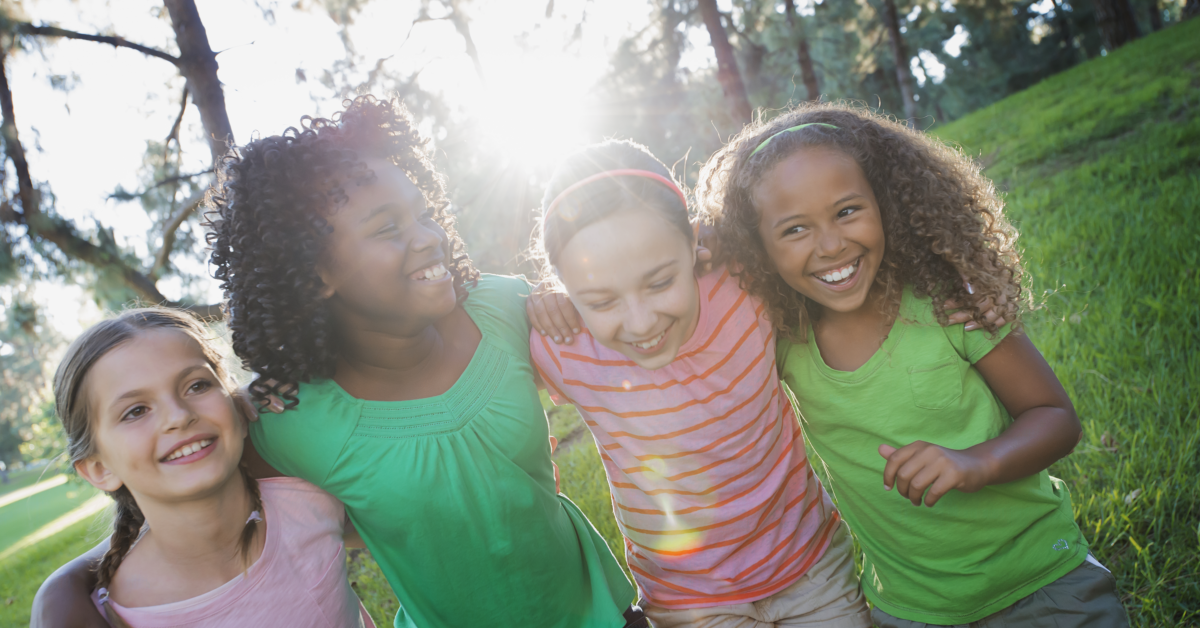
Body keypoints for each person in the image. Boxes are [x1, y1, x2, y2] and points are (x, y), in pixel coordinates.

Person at [700, 102, 1129, 627]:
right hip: (913, 610)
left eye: (847, 211)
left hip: (1042, 581)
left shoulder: (948, 304)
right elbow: (675, 304)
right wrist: (703, 249)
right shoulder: (784, 339)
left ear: (887, 204)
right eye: (794, 230)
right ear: (757, 247)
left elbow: (1055, 418)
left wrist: (978, 463)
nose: (831, 245)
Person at [526, 139, 874, 627]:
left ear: (694, 244)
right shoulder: (563, 345)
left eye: (660, 282)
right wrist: (543, 303)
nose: (641, 321)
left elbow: (819, 233)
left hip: (809, 566)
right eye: (601, 302)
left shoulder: (745, 282)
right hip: (687, 600)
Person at [46, 307, 373, 627]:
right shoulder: (122, 612)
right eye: (136, 411)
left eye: (197, 386)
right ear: (99, 468)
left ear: (237, 403)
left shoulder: (307, 501)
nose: (179, 415)